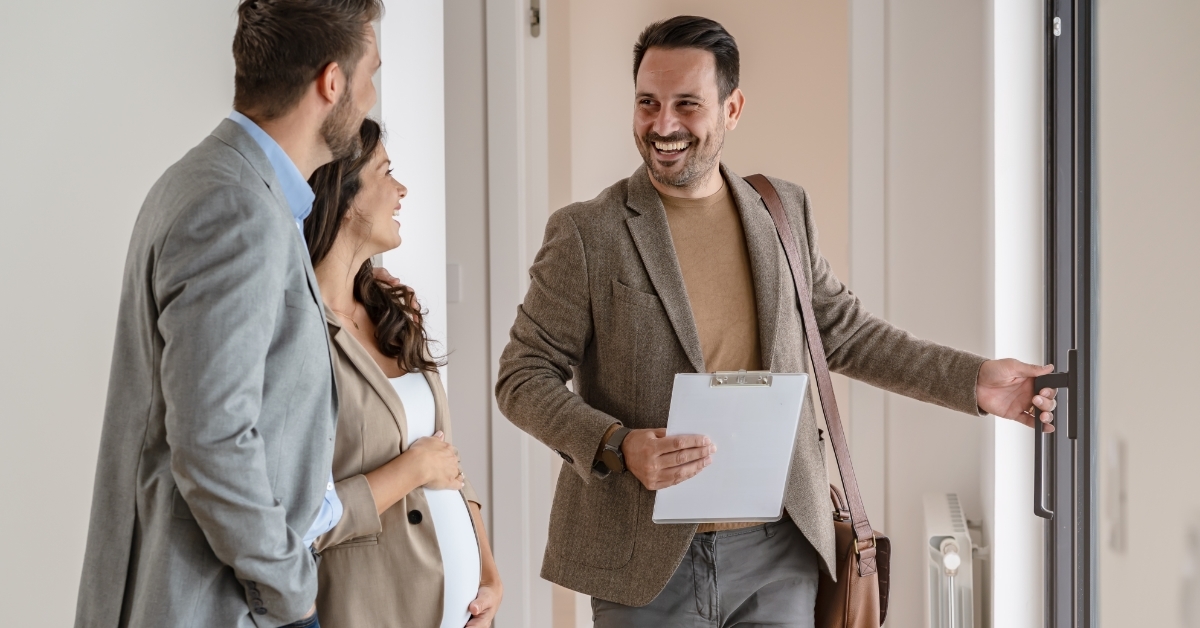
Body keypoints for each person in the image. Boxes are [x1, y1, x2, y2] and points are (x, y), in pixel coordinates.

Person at [495, 15, 1059, 628]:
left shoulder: (782, 210)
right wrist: (617, 444)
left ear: (732, 108)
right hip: (642, 561)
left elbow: (843, 330)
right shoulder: (588, 231)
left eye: (687, 104)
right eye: (647, 103)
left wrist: (974, 381)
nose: (663, 125)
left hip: (779, 551)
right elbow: (522, 376)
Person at [74, 2, 382, 627]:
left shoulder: (216, 185)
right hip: (207, 606)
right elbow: (212, 440)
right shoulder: (236, 207)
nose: (373, 96)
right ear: (332, 82)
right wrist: (293, 591)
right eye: (371, 71)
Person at [303, 119, 503, 628]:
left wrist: (487, 570)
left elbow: (446, 456)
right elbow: (301, 522)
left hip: (460, 612)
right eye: (386, 173)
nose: (402, 189)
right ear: (345, 196)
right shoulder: (300, 337)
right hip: (375, 610)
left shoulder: (393, 311)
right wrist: (412, 471)